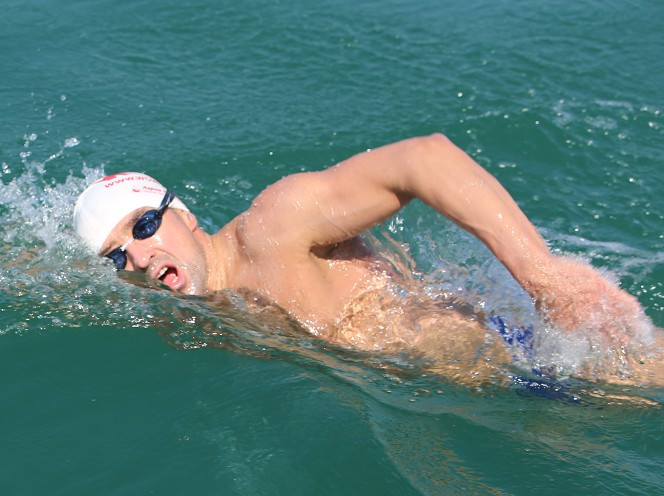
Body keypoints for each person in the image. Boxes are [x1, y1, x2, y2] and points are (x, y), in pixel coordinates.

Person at [72, 135, 662, 386]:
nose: (142, 255)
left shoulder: (275, 226)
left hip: (527, 359)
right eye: (119, 256)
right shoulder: (184, 304)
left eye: (145, 225)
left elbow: (424, 159)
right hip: (482, 395)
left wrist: (544, 277)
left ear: (186, 214)